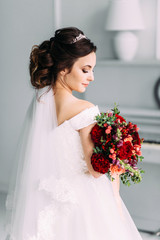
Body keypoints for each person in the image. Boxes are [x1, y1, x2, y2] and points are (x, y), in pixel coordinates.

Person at [3, 27, 143, 240]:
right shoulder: (84, 109)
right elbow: (95, 170)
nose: (92, 77)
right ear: (63, 68)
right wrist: (117, 159)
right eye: (86, 70)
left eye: (93, 70)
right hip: (81, 201)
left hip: (46, 196)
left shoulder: (40, 102)